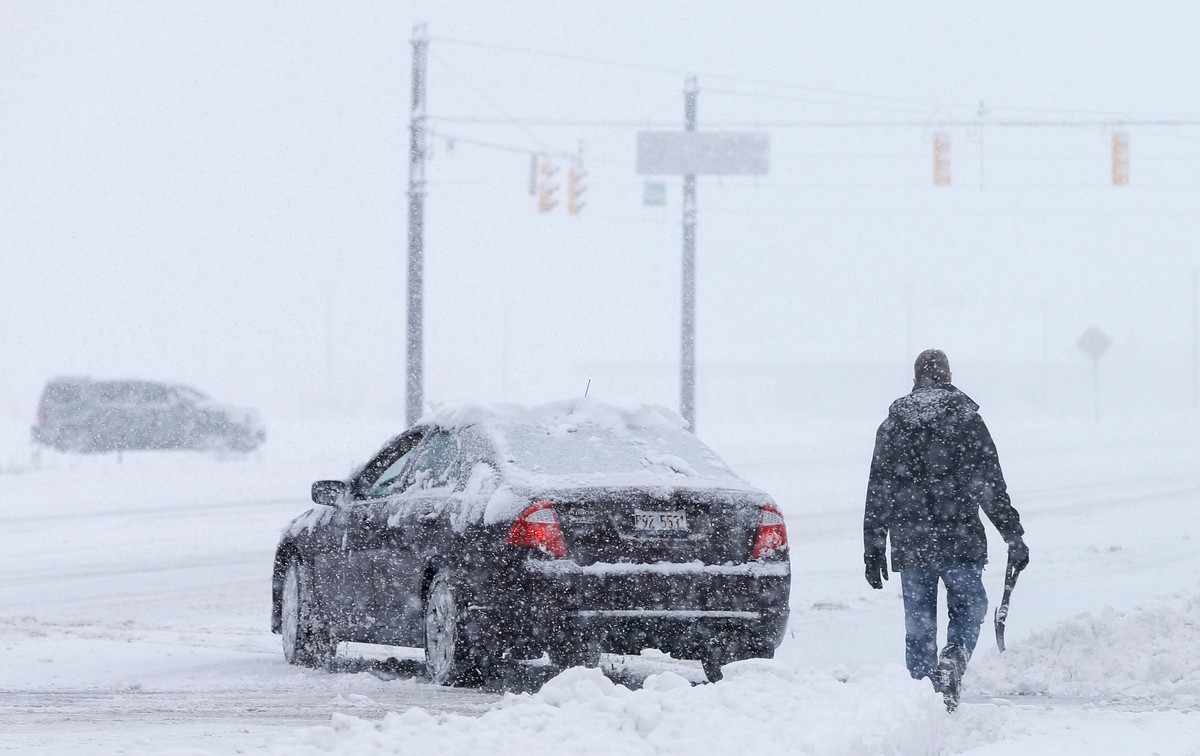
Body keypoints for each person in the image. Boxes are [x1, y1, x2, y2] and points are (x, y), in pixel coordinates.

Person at [863, 349, 1029, 710]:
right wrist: (1012, 534)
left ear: (915, 379)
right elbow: (990, 484)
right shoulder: (966, 420)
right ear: (949, 377)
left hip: (912, 541)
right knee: (970, 607)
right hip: (960, 538)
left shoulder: (893, 425)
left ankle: (923, 697)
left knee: (919, 622)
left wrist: (873, 546)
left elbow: (879, 490)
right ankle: (953, 659)